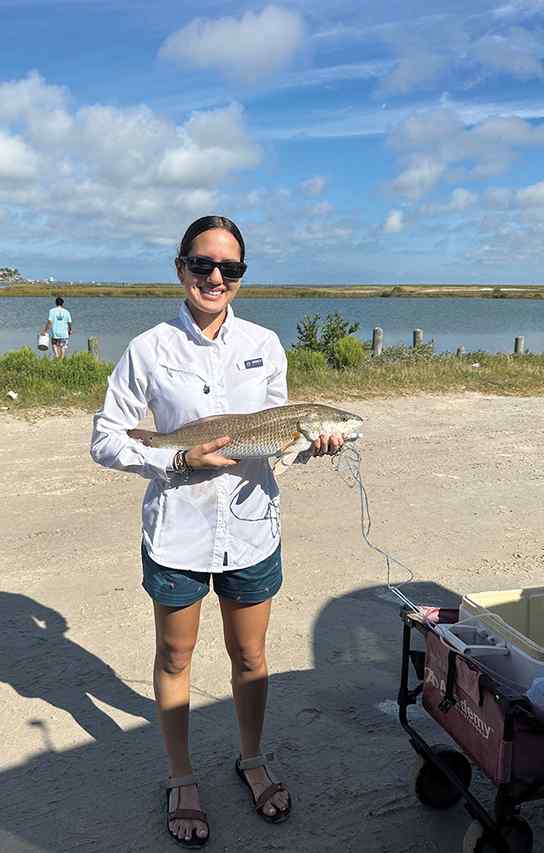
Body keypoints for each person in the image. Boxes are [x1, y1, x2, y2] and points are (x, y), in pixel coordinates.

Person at [90, 215, 343, 847]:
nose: (215, 277)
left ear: (241, 276)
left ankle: (251, 759)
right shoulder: (149, 349)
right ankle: (181, 776)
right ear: (181, 267)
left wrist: (313, 446)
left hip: (252, 527)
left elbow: (281, 439)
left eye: (230, 268)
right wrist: (176, 458)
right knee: (175, 656)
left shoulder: (265, 344)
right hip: (178, 529)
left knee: (250, 656)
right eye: (202, 264)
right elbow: (106, 439)